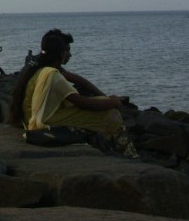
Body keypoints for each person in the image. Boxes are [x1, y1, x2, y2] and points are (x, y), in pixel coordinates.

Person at [8, 34, 137, 157]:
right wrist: (113, 102)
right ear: (60, 54)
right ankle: (129, 154)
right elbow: (81, 102)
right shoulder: (52, 74)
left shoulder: (40, 69)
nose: (69, 54)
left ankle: (108, 148)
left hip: (34, 119)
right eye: (66, 51)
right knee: (111, 114)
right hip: (45, 122)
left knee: (103, 102)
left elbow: (77, 86)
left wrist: (106, 98)